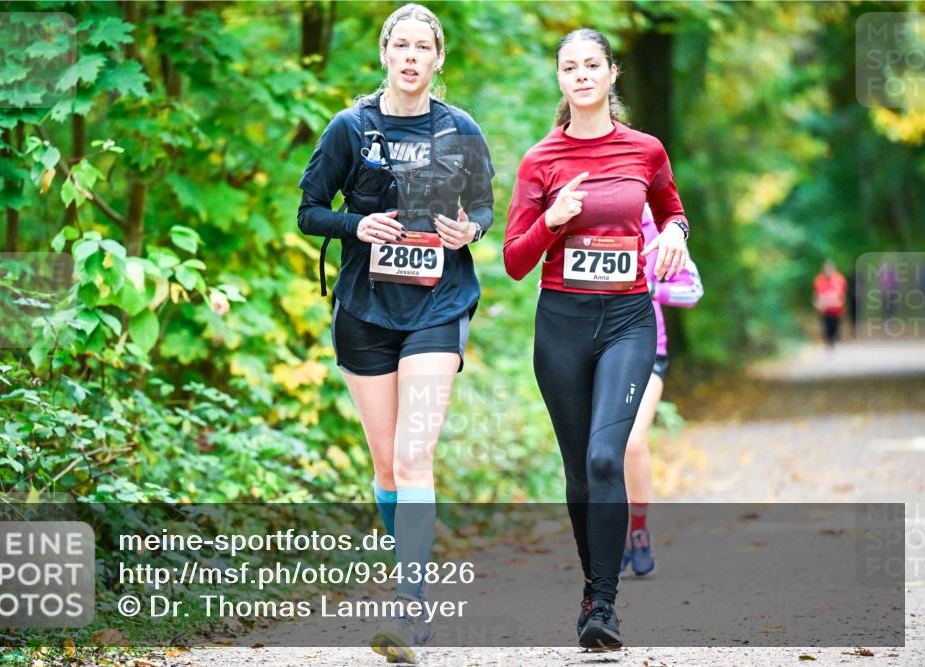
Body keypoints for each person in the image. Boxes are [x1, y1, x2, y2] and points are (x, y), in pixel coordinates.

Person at [296, 3, 494, 662]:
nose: (411, 57)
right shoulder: (351, 128)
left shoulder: (460, 129)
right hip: (365, 308)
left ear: (438, 58)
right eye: (400, 45)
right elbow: (308, 211)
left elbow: (484, 204)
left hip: (438, 304)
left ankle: (411, 604)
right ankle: (412, 582)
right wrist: (357, 225)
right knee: (386, 465)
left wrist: (470, 230)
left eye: (422, 47)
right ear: (385, 53)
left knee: (414, 458)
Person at [504, 28, 690, 652]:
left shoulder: (645, 149)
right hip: (562, 323)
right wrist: (552, 220)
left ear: (612, 74)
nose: (581, 75)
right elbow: (515, 260)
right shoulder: (541, 160)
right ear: (560, 79)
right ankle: (592, 590)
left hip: (628, 321)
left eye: (592, 64)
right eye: (569, 67)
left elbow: (671, 210)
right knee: (580, 471)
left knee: (607, 457)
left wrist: (675, 234)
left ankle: (604, 604)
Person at [621, 205, 704, 577]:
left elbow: (692, 290)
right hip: (592, 350)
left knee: (632, 442)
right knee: (599, 451)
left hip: (647, 350)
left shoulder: (657, 228)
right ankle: (611, 533)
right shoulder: (586, 218)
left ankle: (638, 529)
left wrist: (651, 288)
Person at [813, 260, 846, 348]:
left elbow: (842, 293)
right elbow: (817, 293)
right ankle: (829, 341)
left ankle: (833, 339)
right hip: (825, 309)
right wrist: (817, 303)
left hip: (836, 308)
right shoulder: (819, 279)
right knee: (826, 325)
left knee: (835, 325)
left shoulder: (839, 279)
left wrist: (841, 303)